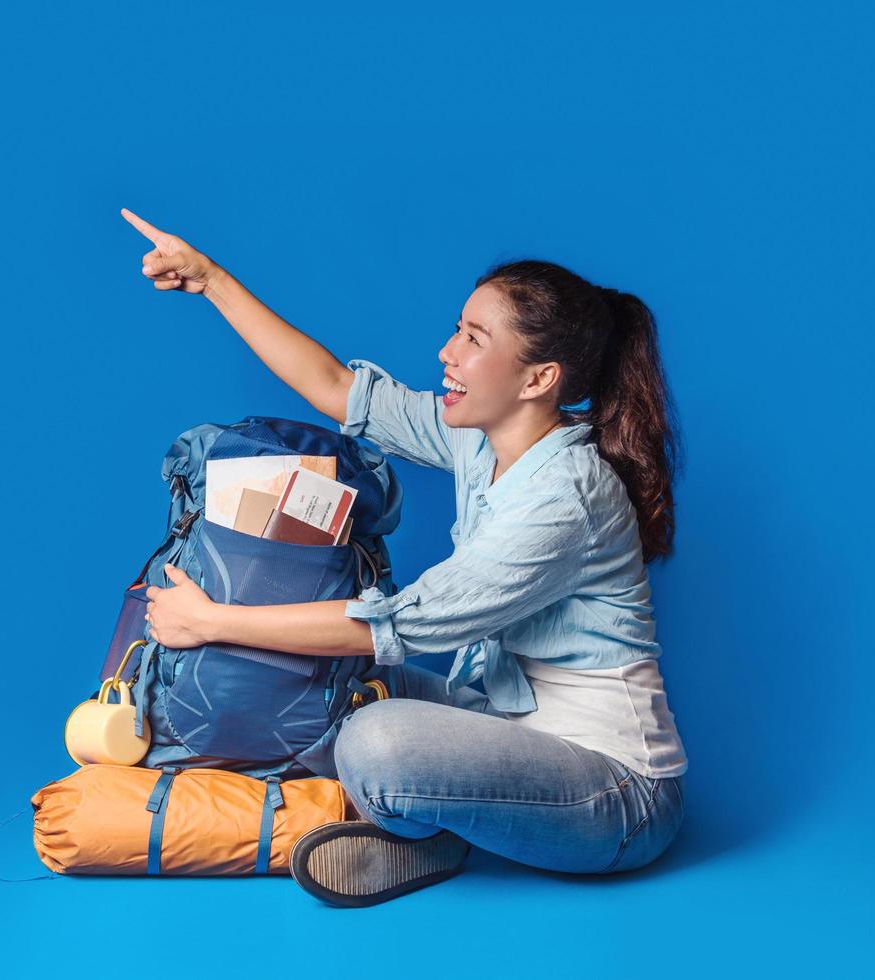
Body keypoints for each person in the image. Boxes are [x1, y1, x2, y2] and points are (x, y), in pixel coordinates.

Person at [122, 207, 688, 907]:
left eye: (475, 339)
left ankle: (435, 831)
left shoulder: (565, 496)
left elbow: (395, 625)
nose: (448, 351)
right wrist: (210, 279)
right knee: (333, 684)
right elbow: (337, 387)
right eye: (458, 328)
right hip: (507, 728)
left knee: (375, 740)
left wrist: (211, 622)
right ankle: (444, 820)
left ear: (537, 379)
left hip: (617, 796)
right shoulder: (481, 438)